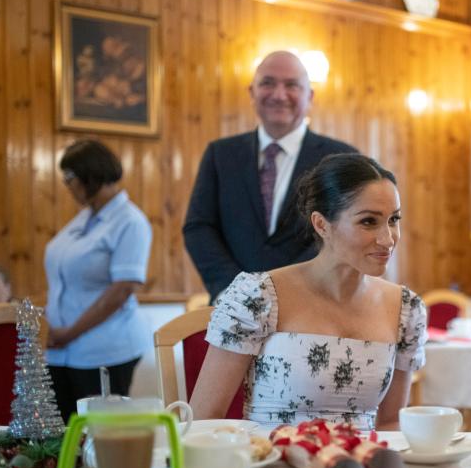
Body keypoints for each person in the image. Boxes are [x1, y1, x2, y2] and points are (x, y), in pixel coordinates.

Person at [189, 153, 426, 430]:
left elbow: (391, 422)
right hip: (272, 464)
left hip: (361, 467)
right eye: (368, 221)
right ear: (321, 224)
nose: (388, 239)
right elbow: (204, 418)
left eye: (394, 219)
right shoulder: (259, 296)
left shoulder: (406, 309)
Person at [183, 51, 357, 302]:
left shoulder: (343, 158)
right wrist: (236, 291)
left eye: (291, 85)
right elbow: (199, 227)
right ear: (251, 92)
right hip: (234, 306)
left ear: (310, 96)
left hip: (316, 306)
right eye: (267, 83)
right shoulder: (220, 155)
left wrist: (287, 290)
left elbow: (345, 232)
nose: (278, 94)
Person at [46, 139, 152, 422]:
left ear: (89, 174)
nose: (66, 185)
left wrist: (69, 333)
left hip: (103, 350)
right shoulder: (85, 219)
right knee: (63, 437)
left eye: (69, 177)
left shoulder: (130, 221)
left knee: (98, 437)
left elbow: (121, 291)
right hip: (61, 350)